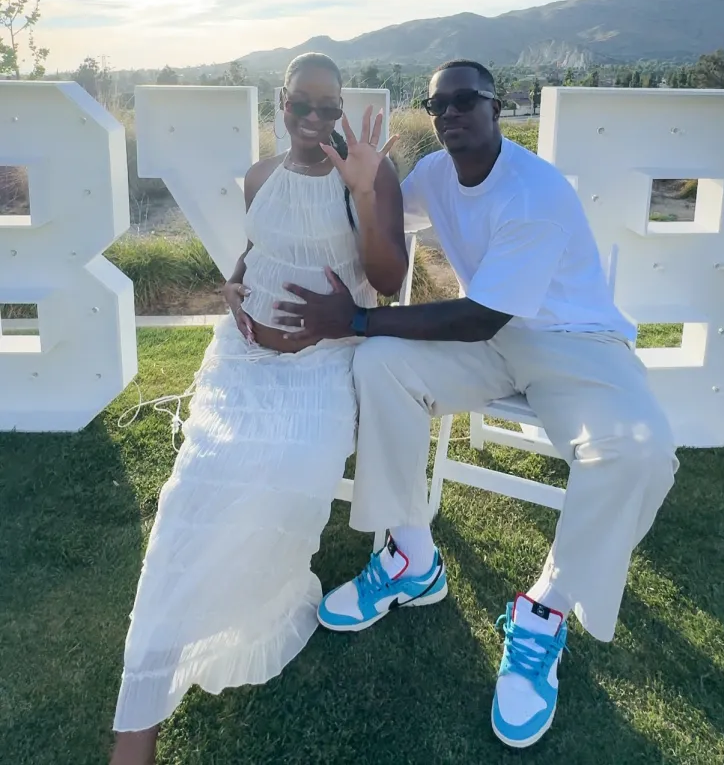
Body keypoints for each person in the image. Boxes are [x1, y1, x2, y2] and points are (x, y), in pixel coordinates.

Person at [272, 60, 679, 750]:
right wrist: (364, 184)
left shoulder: (533, 190)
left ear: (496, 105)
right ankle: (411, 554)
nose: (451, 112)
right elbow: (381, 224)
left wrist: (357, 319)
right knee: (382, 367)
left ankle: (542, 611)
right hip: (496, 343)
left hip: (574, 344)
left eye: (465, 99)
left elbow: (478, 315)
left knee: (639, 451)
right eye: (438, 104)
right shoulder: (435, 171)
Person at [110, 53, 407, 765]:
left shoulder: (367, 174)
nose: (312, 121)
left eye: (326, 108)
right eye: (299, 106)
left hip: (321, 362)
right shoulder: (260, 176)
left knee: (285, 468)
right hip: (242, 363)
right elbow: (257, 247)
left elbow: (390, 280)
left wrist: (364, 193)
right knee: (190, 493)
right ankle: (135, 727)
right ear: (280, 103)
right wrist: (235, 284)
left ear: (341, 109)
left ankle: (245, 606)